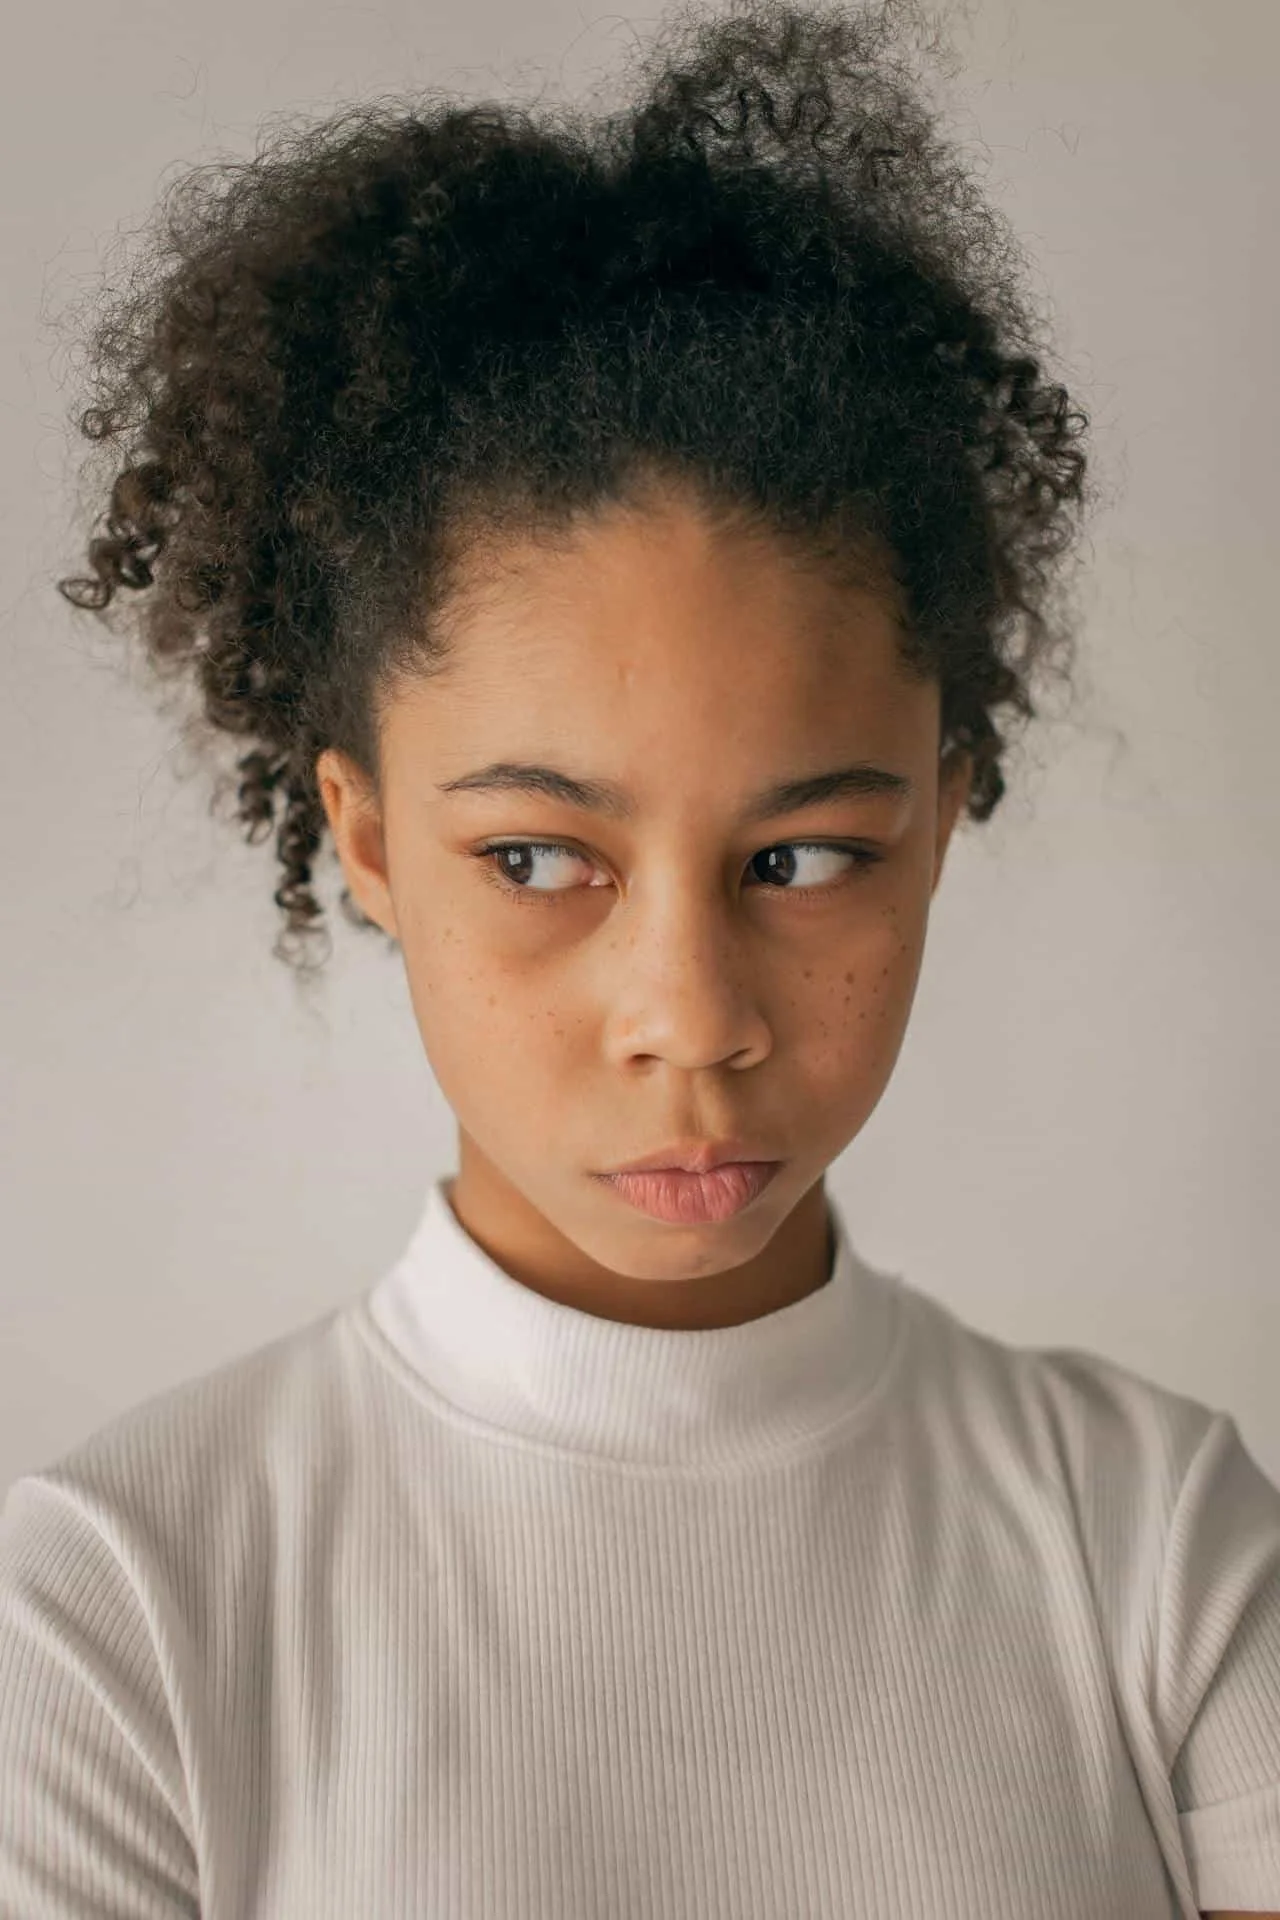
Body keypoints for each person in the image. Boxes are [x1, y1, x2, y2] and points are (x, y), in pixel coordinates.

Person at [2, 1, 1277, 1913]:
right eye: (537, 857)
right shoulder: (118, 1615)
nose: (691, 1020)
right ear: (367, 838)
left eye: (805, 856)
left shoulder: (1165, 1544)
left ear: (941, 820)